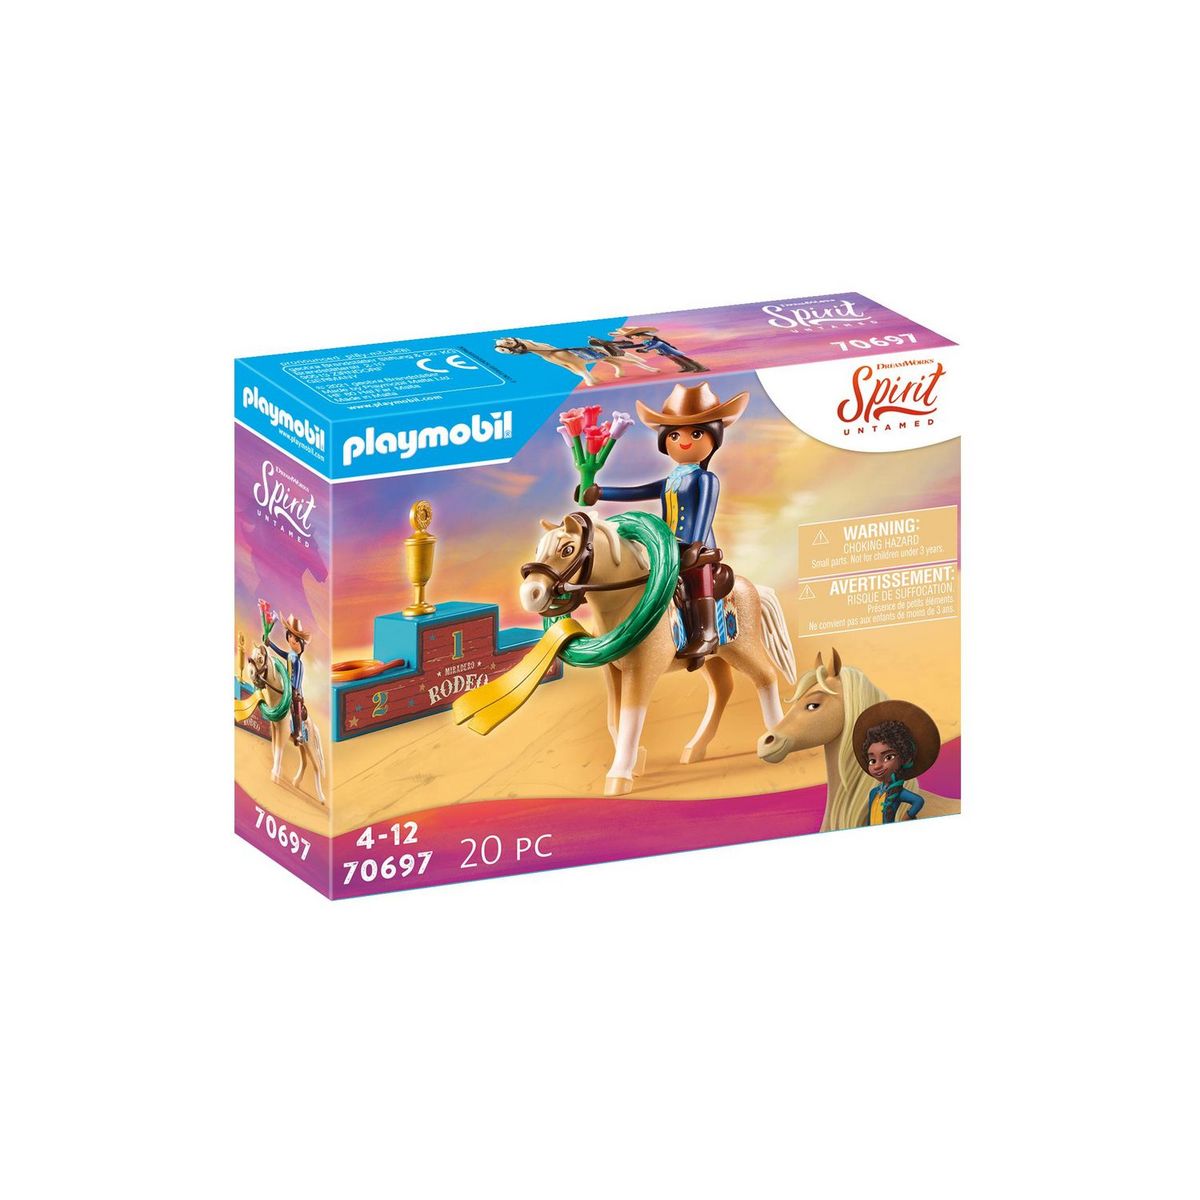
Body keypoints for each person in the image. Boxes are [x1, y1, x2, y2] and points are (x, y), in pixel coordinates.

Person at [578, 381, 747, 667]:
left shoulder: (705, 479)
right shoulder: (670, 480)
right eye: (675, 435)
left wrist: (695, 545)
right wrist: (600, 492)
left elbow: (705, 513)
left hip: (697, 544)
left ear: (713, 437)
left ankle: (707, 632)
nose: (684, 441)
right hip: (665, 544)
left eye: (696, 433)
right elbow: (637, 491)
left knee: (697, 575)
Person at [268, 613, 311, 745]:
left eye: (296, 639)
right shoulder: (290, 655)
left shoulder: (298, 662)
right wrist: (269, 643)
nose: (292, 640)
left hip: (295, 690)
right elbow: (280, 652)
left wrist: (293, 689)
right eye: (290, 636)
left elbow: (297, 679)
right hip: (288, 685)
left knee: (295, 705)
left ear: (301, 644)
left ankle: (298, 732)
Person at [611, 326, 708, 373]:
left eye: (633, 337)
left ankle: (700, 367)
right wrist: (622, 347)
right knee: (677, 360)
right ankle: (687, 367)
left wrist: (647, 349)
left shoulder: (652, 339)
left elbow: (658, 344)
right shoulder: (645, 341)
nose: (634, 338)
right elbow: (638, 345)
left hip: (670, 350)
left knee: (683, 359)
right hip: (664, 352)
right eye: (632, 337)